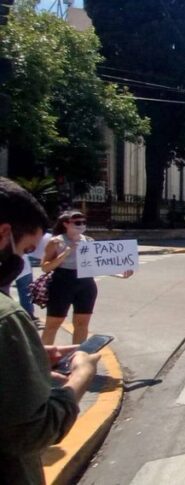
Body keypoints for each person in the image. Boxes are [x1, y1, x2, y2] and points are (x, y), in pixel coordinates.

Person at [0, 176, 100, 484]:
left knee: (81, 324)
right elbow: (34, 430)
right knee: (56, 326)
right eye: (26, 248)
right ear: (4, 234)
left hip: (84, 286)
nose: (22, 259)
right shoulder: (7, 317)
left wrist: (26, 360)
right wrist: (81, 377)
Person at [40, 211, 133, 345]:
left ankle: (77, 355)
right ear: (66, 224)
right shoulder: (56, 241)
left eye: (84, 223)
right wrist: (66, 253)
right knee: (53, 323)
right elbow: (45, 267)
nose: (81, 225)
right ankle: (45, 359)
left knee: (82, 323)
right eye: (77, 223)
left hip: (85, 284)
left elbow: (97, 266)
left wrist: (121, 274)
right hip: (62, 283)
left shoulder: (89, 241)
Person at [12, 232, 49, 322]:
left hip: (23, 266)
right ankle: (26, 316)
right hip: (19, 266)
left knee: (26, 292)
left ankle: (28, 315)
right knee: (25, 292)